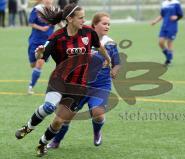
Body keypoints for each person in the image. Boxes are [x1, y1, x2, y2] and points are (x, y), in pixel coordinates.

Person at [15, 3, 111, 157]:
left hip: (78, 87)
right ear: (70, 19)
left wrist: (108, 59)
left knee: (58, 121)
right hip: (59, 81)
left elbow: (99, 46)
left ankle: (42, 144)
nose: (83, 21)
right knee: (48, 107)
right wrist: (39, 53)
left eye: (84, 18)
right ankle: (27, 128)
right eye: (80, 18)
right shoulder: (56, 37)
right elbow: (41, 57)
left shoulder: (88, 32)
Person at [47, 12, 121, 149]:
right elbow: (67, 32)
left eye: (109, 24)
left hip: (100, 86)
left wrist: (114, 70)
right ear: (94, 25)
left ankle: (97, 132)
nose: (107, 26)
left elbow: (117, 62)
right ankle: (56, 141)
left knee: (98, 114)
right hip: (79, 84)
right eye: (104, 23)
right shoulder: (83, 36)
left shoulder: (110, 44)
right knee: (64, 117)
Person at [27, 0, 55, 94]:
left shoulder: (55, 12)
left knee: (40, 63)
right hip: (35, 41)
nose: (48, 1)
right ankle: (34, 72)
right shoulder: (37, 10)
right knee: (33, 64)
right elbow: (31, 23)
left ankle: (31, 86)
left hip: (47, 42)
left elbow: (59, 23)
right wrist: (41, 28)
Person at [151, 0, 183, 65]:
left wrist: (176, 17)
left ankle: (169, 60)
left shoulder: (176, 3)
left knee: (169, 42)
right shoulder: (164, 3)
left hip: (172, 26)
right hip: (164, 25)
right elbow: (162, 15)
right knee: (160, 42)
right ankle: (168, 56)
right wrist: (155, 21)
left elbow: (180, 14)